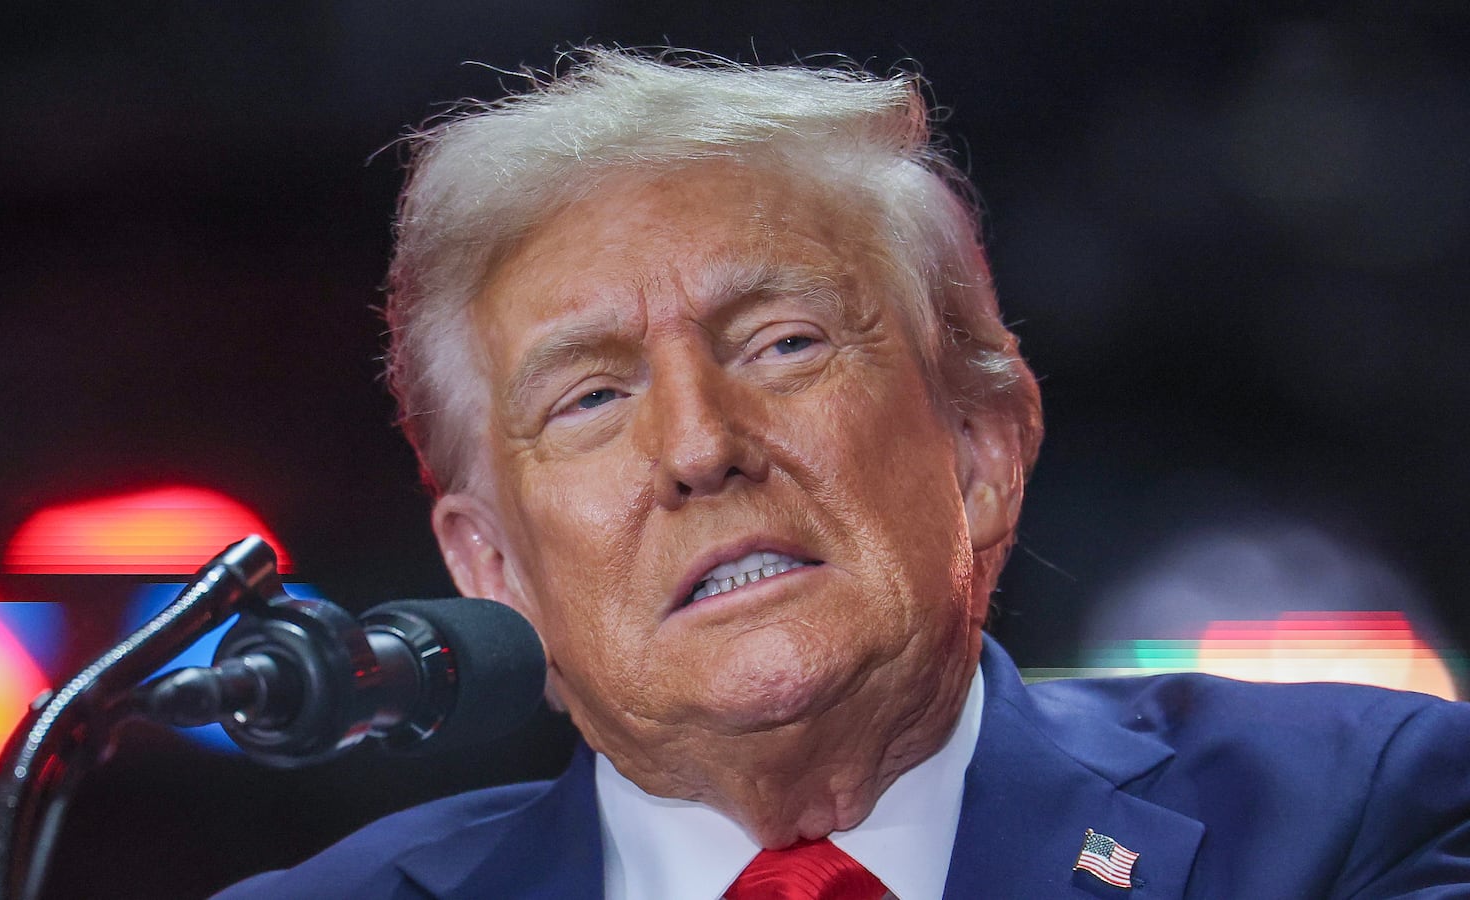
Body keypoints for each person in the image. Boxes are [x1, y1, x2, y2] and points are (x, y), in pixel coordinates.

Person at [215, 49, 1470, 899]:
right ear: (492, 568)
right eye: (590, 398)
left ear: (979, 447)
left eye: (784, 344)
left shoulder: (1356, 816)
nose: (699, 448)